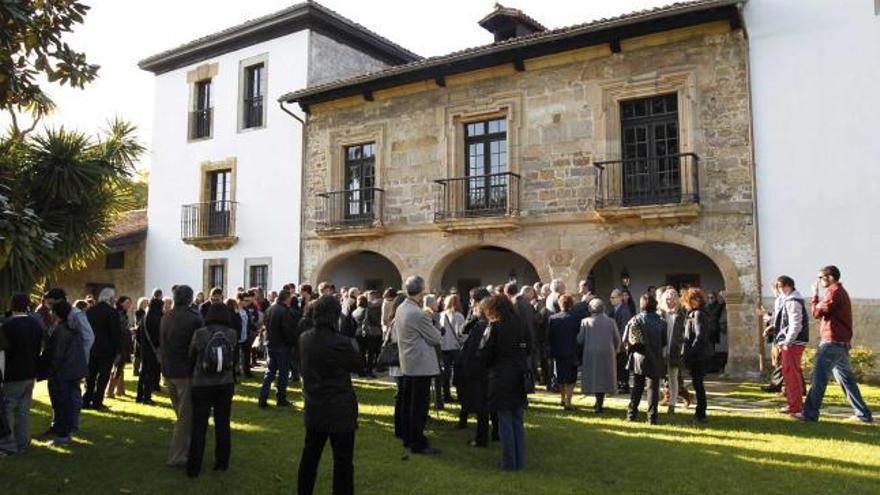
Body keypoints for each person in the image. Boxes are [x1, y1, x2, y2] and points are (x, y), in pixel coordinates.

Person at [297, 296, 362, 495]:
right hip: (339, 407)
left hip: (315, 403)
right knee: (342, 460)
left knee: (310, 455)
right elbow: (358, 365)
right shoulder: (340, 342)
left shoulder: (305, 338)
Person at [799, 266, 873, 423]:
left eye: (821, 277)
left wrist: (814, 296)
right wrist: (819, 303)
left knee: (818, 379)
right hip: (840, 344)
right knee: (847, 381)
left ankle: (809, 414)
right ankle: (863, 414)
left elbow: (817, 313)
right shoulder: (839, 291)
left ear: (830, 277)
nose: (819, 280)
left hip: (831, 343)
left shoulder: (834, 292)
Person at [186, 303, 236, 478]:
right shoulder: (231, 334)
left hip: (202, 384)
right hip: (225, 383)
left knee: (199, 426)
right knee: (223, 423)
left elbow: (191, 355)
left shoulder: (200, 333)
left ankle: (194, 466)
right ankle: (222, 462)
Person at [394, 275, 442, 456]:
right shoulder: (418, 313)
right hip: (420, 365)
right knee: (419, 407)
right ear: (422, 291)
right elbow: (435, 338)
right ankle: (417, 442)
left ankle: (408, 436)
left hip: (408, 362)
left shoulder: (401, 307)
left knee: (408, 404)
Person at [481, 295, 529, 471]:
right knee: (517, 419)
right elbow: (529, 347)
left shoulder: (494, 327)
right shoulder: (520, 324)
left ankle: (509, 463)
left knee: (505, 420)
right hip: (518, 375)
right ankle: (520, 461)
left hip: (500, 376)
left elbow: (485, 353)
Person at [160, 285, 205, 467]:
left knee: (182, 415)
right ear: (190, 298)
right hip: (184, 371)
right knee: (185, 417)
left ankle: (185, 449)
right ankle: (177, 456)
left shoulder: (166, 316)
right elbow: (199, 345)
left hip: (168, 370)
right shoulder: (194, 318)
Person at [0, 294, 45, 454]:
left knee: (7, 409)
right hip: (30, 372)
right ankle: (23, 442)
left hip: (12, 373)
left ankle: (8, 443)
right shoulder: (36, 325)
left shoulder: (7, 327)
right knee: (23, 410)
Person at [454, 287, 497, 447]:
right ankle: (496, 432)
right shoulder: (492, 323)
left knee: (482, 406)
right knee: (490, 404)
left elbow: (473, 352)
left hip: (479, 371)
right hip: (490, 370)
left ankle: (481, 438)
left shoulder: (481, 325)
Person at [43, 301, 89, 445]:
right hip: (72, 370)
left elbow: (58, 354)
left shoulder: (61, 330)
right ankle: (64, 431)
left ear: (56, 313)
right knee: (67, 402)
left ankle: (63, 434)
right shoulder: (71, 328)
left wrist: (51, 370)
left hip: (64, 372)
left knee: (62, 403)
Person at [623, 293, 666, 425]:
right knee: (653, 388)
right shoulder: (662, 322)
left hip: (639, 357)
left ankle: (631, 414)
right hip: (656, 356)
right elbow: (664, 341)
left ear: (642, 305)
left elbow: (627, 340)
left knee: (637, 387)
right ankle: (652, 418)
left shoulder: (635, 319)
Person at [773, 276, 809, 416]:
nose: (779, 289)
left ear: (789, 286)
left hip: (793, 343)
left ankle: (796, 407)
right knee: (789, 374)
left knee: (791, 374)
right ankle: (793, 404)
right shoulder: (789, 300)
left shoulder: (793, 301)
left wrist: (788, 341)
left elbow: (796, 324)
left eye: (781, 286)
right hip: (790, 342)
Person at [577, 298, 621, 413]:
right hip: (607, 353)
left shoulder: (585, 321)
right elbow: (617, 339)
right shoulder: (611, 321)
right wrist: (615, 350)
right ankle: (599, 403)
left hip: (591, 353)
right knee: (603, 377)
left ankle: (598, 403)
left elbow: (580, 340)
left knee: (595, 377)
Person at [258, 290, 298, 408]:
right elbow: (288, 330)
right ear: (286, 299)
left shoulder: (270, 309)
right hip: (282, 346)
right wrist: (293, 343)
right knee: (283, 374)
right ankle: (281, 399)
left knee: (269, 373)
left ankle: (262, 399)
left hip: (271, 344)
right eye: (289, 298)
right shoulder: (285, 311)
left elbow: (265, 325)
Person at [83, 288, 120, 411]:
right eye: (114, 297)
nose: (115, 300)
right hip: (106, 350)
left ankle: (86, 399)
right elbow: (115, 334)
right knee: (103, 377)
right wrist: (117, 351)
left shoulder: (90, 311)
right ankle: (97, 402)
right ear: (110, 298)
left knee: (90, 376)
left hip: (92, 347)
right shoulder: (112, 312)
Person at [682, 287, 713, 422]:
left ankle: (701, 414)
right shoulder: (694, 313)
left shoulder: (699, 314)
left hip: (698, 355)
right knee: (697, 384)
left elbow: (700, 337)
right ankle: (700, 413)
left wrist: (690, 353)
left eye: (692, 300)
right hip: (697, 354)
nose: (689, 303)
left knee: (698, 385)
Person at [658, 288, 690, 413]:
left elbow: (685, 333)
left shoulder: (682, 314)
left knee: (673, 378)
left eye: (671, 298)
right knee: (660, 378)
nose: (669, 301)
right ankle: (659, 400)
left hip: (675, 350)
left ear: (676, 300)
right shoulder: (659, 314)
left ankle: (672, 405)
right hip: (661, 350)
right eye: (666, 298)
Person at [546, 294, 580, 410]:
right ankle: (568, 402)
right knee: (571, 379)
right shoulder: (576, 318)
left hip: (558, 351)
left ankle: (562, 399)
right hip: (571, 351)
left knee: (560, 377)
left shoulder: (553, 318)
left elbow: (549, 336)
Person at [438, 294, 464, 402]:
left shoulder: (440, 315)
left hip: (443, 346)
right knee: (458, 372)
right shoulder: (459, 316)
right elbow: (460, 333)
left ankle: (446, 395)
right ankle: (460, 394)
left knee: (446, 372)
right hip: (455, 347)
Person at [136, 296, 162, 404]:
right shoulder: (157, 319)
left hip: (144, 349)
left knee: (143, 373)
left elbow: (138, 335)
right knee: (150, 374)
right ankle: (147, 397)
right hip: (153, 350)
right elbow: (158, 336)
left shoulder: (144, 317)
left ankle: (139, 396)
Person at [107, 296, 134, 399]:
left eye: (130, 303)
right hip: (120, 344)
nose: (129, 305)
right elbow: (119, 330)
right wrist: (129, 331)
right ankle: (110, 391)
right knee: (118, 367)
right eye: (127, 302)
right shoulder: (118, 313)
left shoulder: (123, 313)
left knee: (120, 367)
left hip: (123, 343)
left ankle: (120, 390)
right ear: (121, 303)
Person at [609, 289, 634, 393]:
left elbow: (623, 329)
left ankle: (624, 385)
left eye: (613, 297)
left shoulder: (624, 310)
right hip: (615, 342)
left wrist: (619, 345)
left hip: (621, 344)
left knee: (623, 364)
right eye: (610, 297)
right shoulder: (614, 310)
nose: (611, 299)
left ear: (620, 298)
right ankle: (620, 383)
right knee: (618, 365)